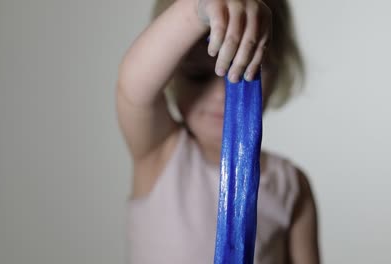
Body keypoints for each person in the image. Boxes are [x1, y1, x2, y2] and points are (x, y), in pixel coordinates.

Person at [116, 0, 320, 263]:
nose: (223, 93)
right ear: (171, 74)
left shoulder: (291, 186)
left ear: (278, 68)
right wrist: (197, 10)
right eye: (198, 76)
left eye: (246, 68)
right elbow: (133, 90)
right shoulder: (160, 153)